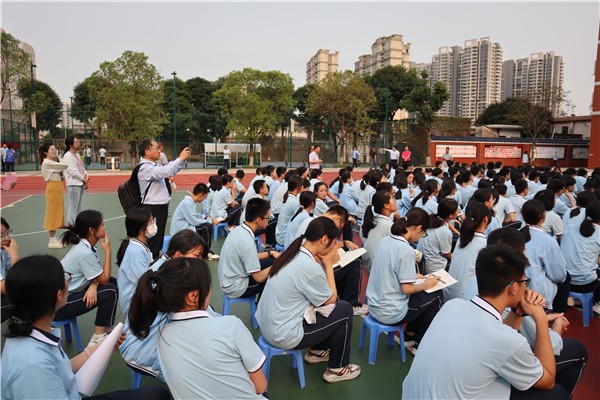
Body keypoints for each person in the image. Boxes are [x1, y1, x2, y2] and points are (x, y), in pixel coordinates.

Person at [402, 244, 571, 399]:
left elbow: (494, 342)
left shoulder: (452, 306)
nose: (526, 288)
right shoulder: (509, 340)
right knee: (556, 393)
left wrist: (517, 312)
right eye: (524, 282)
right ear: (513, 287)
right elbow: (548, 380)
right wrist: (540, 318)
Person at [1, 255, 170, 400]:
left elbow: (61, 369)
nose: (68, 280)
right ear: (58, 294)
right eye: (66, 277)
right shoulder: (33, 365)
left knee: (157, 394)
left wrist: (100, 347)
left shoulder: (32, 331)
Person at [128, 258, 266, 398]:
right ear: (193, 296)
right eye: (208, 286)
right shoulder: (231, 327)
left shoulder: (163, 337)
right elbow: (260, 386)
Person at [257, 217, 361, 383]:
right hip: (283, 334)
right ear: (324, 239)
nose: (335, 247)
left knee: (319, 308)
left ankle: (318, 351)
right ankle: (337, 368)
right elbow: (331, 300)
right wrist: (328, 264)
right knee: (344, 310)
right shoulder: (308, 265)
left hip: (268, 327)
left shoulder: (293, 253)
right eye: (334, 243)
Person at [119, 229, 210, 380]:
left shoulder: (161, 270)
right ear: (178, 255)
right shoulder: (171, 280)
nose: (200, 261)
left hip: (135, 340)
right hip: (143, 351)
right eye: (197, 256)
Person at [366, 208, 443, 354]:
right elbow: (407, 289)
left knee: (421, 293)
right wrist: (427, 284)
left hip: (373, 305)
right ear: (419, 228)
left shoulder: (386, 240)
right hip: (390, 313)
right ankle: (419, 344)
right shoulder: (406, 250)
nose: (421, 237)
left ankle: (410, 335)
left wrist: (415, 276)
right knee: (436, 294)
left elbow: (390, 271)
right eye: (423, 233)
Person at [57, 210, 118, 346]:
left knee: (112, 282)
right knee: (110, 290)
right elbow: (104, 279)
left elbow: (98, 275)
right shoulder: (85, 252)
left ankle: (106, 328)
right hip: (58, 307)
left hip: (66, 295)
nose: (105, 227)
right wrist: (108, 251)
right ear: (91, 230)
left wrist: (94, 285)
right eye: (102, 225)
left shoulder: (86, 246)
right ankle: (98, 337)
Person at [137, 138, 191, 258]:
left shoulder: (153, 165)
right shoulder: (145, 167)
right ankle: (151, 263)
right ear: (147, 151)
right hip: (152, 208)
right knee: (153, 240)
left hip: (158, 207)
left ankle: (153, 260)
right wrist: (180, 158)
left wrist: (181, 161)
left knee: (157, 238)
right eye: (156, 148)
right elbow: (165, 171)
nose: (159, 151)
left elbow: (170, 171)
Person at [218, 198, 281, 299]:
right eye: (268, 218)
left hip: (229, 278)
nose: (269, 220)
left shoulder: (240, 230)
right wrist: (278, 265)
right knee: (274, 277)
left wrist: (270, 253)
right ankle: (261, 307)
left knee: (272, 260)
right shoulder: (247, 242)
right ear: (258, 220)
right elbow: (259, 278)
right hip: (235, 287)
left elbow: (249, 256)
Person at [521, 199, 569, 313]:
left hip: (518, 288)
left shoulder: (515, 234)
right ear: (544, 216)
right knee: (565, 277)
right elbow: (558, 275)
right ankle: (558, 314)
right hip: (536, 294)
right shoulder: (548, 241)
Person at [560, 201, 600, 315]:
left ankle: (577, 300)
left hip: (563, 280)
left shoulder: (570, 228)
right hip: (585, 284)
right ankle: (598, 303)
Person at [445, 202, 491, 300]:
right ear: (486, 219)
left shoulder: (462, 238)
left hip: (447, 293)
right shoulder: (485, 245)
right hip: (464, 297)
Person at [116, 207, 155, 317]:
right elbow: (146, 283)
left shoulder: (140, 245)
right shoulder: (135, 253)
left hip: (139, 299)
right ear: (140, 230)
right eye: (150, 222)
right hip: (135, 307)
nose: (154, 224)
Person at [170, 182, 220, 260]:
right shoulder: (187, 203)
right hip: (180, 231)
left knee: (205, 225)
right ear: (200, 195)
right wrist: (211, 222)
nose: (204, 199)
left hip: (185, 227)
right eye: (204, 197)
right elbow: (195, 221)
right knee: (206, 227)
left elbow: (195, 215)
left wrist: (206, 217)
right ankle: (206, 253)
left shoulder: (190, 202)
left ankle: (202, 249)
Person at [417, 198, 459, 274]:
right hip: (434, 268)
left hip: (421, 263)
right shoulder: (445, 232)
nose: (459, 211)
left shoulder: (430, 220)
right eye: (457, 210)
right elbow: (447, 254)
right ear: (451, 215)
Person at [40, 142, 69, 249]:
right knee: (52, 213)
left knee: (57, 212)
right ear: (45, 152)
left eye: (55, 149)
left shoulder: (51, 163)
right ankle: (51, 240)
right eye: (52, 149)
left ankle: (54, 238)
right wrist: (58, 157)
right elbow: (65, 165)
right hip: (53, 189)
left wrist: (58, 176)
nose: (54, 151)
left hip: (57, 187)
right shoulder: (47, 162)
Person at [360, 190, 396, 274]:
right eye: (393, 199)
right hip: (379, 267)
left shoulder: (372, 220)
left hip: (369, 263)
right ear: (386, 205)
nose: (395, 201)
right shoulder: (389, 225)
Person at [63, 136, 89, 226]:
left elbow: (82, 167)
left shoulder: (77, 155)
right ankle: (70, 227)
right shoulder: (67, 156)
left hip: (80, 183)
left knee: (78, 208)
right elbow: (72, 171)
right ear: (70, 145)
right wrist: (83, 178)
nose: (78, 143)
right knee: (73, 208)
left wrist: (86, 176)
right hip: (73, 184)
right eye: (76, 142)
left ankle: (77, 226)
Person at [1, 217, 20, 322]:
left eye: (8, 232)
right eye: (1, 236)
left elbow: (16, 270)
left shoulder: (2, 250)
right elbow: (11, 289)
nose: (7, 238)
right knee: (26, 299)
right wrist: (15, 256)